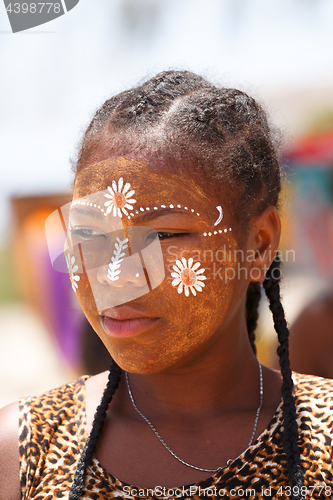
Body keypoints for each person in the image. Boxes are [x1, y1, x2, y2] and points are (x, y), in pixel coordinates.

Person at [1, 70, 332, 500]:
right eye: (90, 234)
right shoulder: (23, 456)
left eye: (164, 235)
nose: (115, 274)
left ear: (259, 245)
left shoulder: (321, 441)